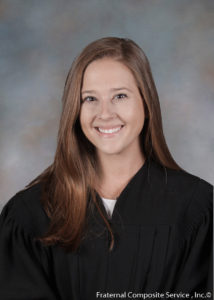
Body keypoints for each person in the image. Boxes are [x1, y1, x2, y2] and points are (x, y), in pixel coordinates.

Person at [0, 37, 213, 300]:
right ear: (74, 110)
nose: (105, 113)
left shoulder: (195, 210)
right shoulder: (30, 215)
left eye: (120, 96)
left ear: (146, 104)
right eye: (90, 98)